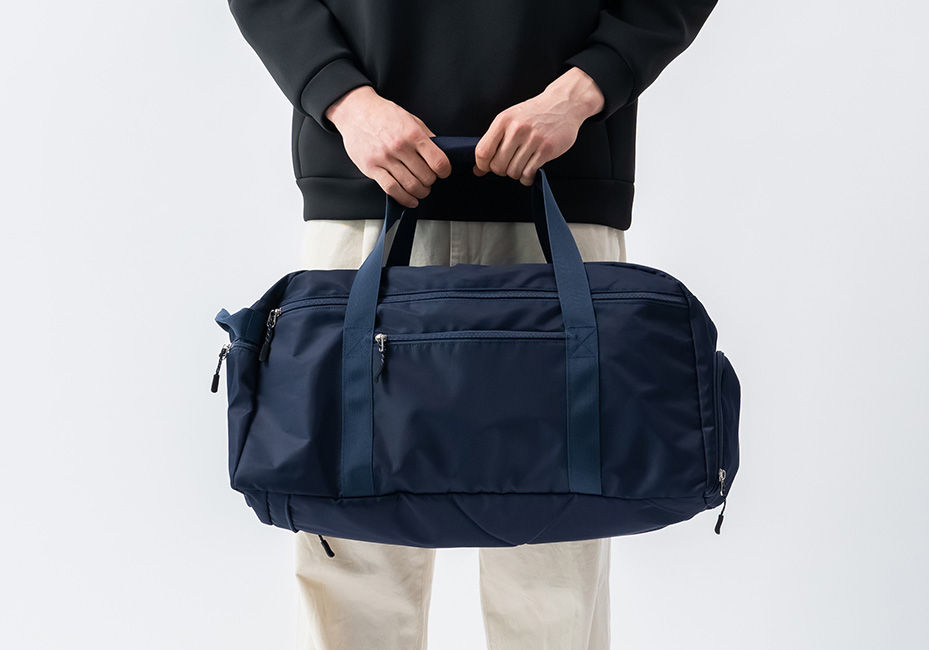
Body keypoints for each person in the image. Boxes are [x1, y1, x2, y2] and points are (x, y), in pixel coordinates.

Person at [227, 1, 718, 647]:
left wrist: (584, 88)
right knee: (351, 547)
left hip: (562, 165)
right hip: (367, 169)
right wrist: (344, 99)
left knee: (554, 557)